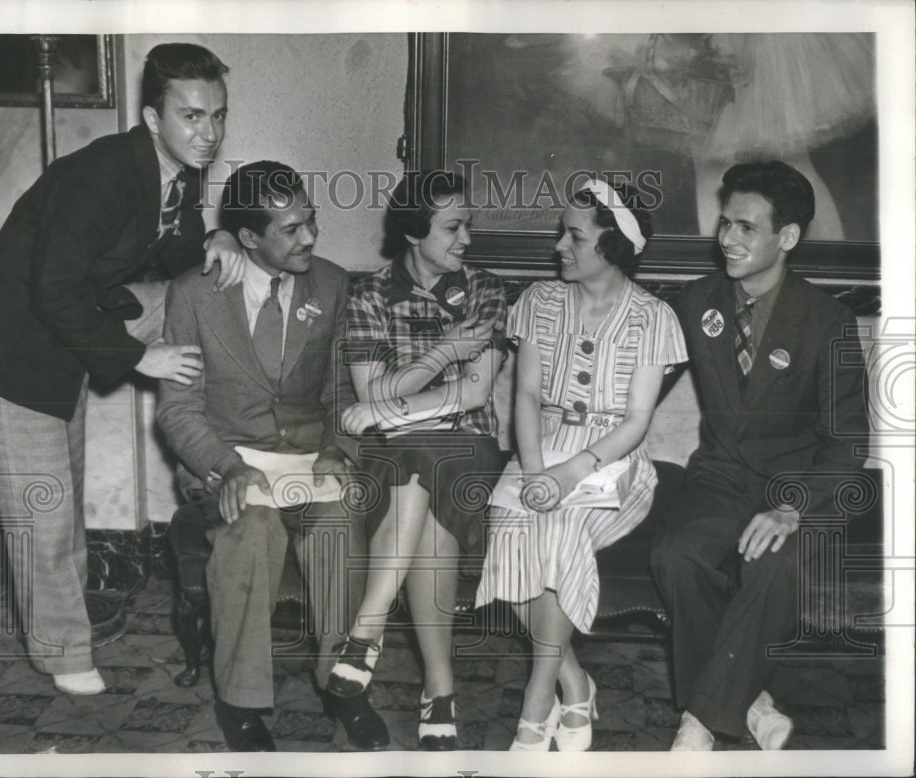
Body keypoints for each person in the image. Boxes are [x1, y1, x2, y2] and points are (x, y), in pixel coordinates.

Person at [0, 43, 244, 696]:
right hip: (14, 339)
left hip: (73, 326)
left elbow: (175, 247)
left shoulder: (178, 168)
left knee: (69, 483)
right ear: (150, 116)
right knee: (45, 510)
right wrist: (142, 356)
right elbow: (50, 290)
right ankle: (61, 653)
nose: (208, 133)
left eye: (218, 116)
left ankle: (231, 435)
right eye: (192, 116)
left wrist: (219, 239)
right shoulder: (102, 175)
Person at [156, 161, 389, 752]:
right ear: (249, 238)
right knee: (252, 525)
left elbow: (342, 390)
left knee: (338, 521)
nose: (309, 237)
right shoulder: (193, 295)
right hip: (228, 462)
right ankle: (239, 700)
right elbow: (178, 410)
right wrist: (227, 468)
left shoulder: (334, 286)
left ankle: (343, 682)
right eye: (290, 229)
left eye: (310, 220)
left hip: (311, 461)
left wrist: (338, 448)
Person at [649, 160, 870, 750]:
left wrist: (794, 509)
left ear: (787, 237)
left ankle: (699, 721)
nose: (727, 238)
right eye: (725, 223)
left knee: (773, 565)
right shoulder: (695, 303)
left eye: (746, 227)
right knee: (676, 557)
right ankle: (747, 700)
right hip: (720, 482)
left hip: (795, 494)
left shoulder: (829, 323)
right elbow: (635, 384)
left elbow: (849, 444)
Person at [475, 178, 688, 751]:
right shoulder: (539, 303)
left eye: (574, 236)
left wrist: (568, 476)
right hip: (539, 445)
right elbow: (523, 397)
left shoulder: (654, 318)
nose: (560, 247)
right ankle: (574, 681)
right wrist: (536, 469)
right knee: (512, 525)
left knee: (563, 525)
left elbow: (636, 421)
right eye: (561, 234)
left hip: (614, 460)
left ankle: (536, 699)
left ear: (613, 244)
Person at [327, 171, 507, 750]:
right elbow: (370, 393)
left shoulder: (486, 290)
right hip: (396, 462)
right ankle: (440, 689)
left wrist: (393, 407)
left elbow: (474, 395)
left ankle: (368, 627)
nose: (466, 241)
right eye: (453, 227)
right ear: (413, 231)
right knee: (421, 476)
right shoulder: (370, 296)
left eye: (468, 226)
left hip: (469, 451)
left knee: (426, 454)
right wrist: (446, 352)